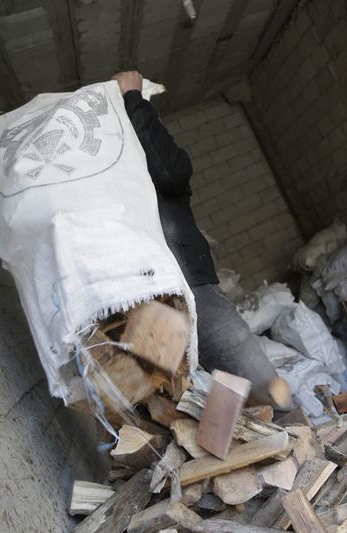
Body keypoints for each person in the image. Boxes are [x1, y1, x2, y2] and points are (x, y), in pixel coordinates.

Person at [111, 71, 289, 408]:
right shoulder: (131, 173)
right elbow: (170, 169)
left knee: (241, 407)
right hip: (181, 296)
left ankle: (274, 453)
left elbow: (166, 170)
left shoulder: (133, 178)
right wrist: (135, 100)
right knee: (263, 404)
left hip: (164, 300)